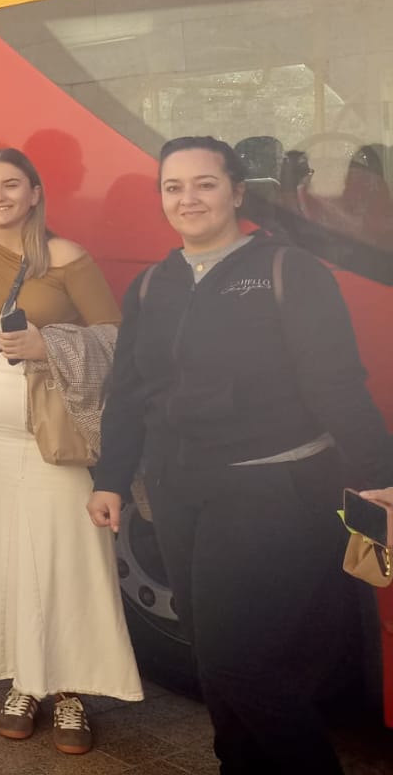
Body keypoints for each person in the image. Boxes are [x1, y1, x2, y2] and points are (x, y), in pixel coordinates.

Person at [88, 136, 393, 773]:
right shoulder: (152, 285)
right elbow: (130, 394)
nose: (188, 198)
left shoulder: (289, 271)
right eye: (174, 187)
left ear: (236, 192)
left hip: (271, 492)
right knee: (211, 657)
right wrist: (111, 479)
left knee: (240, 662)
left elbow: (337, 384)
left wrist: (381, 476)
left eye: (204, 183)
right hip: (179, 492)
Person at [0, 149, 140, 755]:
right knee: (6, 560)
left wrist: (48, 343)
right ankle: (24, 683)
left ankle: (74, 691)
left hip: (54, 434)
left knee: (69, 557)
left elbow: (117, 339)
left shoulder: (68, 257)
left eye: (10, 185)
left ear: (34, 192)